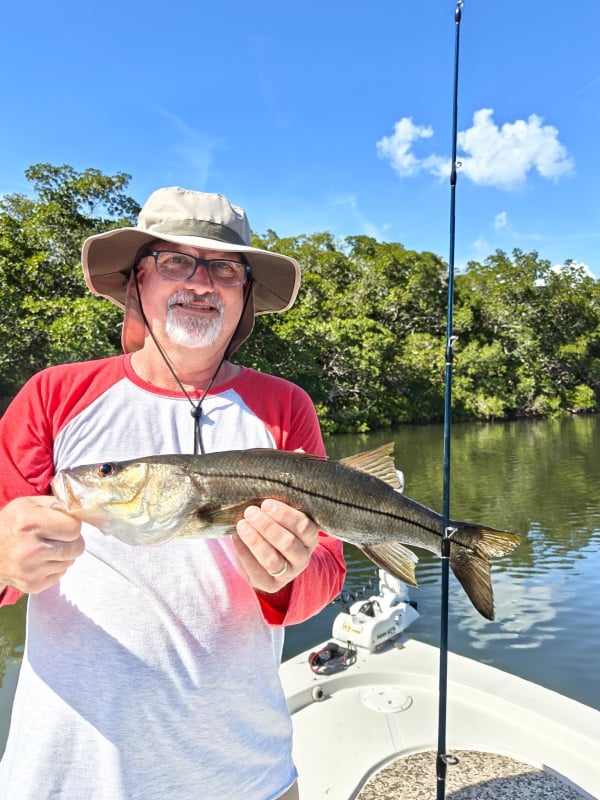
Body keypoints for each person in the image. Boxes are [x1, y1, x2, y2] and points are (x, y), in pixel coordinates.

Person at [0, 187, 346, 800]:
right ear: (138, 280)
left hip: (248, 775)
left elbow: (327, 571)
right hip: (70, 777)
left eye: (225, 269)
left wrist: (285, 577)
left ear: (245, 295)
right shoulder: (53, 396)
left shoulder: (285, 407)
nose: (201, 283)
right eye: (176, 262)